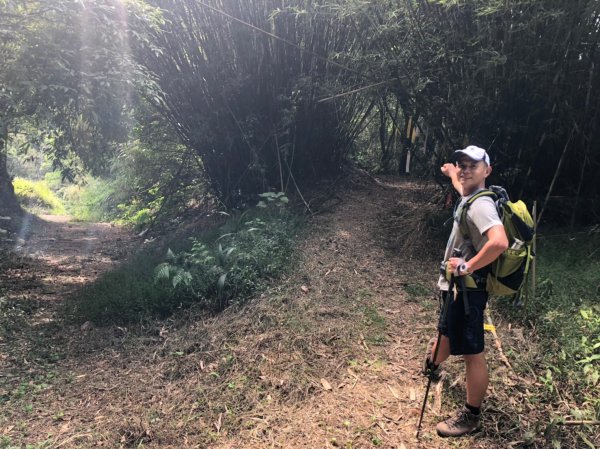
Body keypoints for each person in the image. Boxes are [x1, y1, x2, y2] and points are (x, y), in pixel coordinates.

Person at [424, 145, 508, 437]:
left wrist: (466, 266)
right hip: (457, 289)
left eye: (473, 165)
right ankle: (432, 363)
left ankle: (471, 416)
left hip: (468, 291)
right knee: (445, 333)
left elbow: (499, 242)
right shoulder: (470, 195)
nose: (465, 169)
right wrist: (450, 172)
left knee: (473, 353)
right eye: (462, 164)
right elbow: (460, 185)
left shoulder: (482, 206)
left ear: (487, 170)